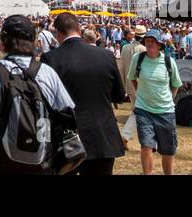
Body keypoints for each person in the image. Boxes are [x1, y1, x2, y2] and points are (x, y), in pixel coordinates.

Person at [0, 14, 75, 175]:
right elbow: (68, 114)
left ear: (3, 43)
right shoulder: (47, 72)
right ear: (33, 43)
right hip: (42, 166)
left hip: (0, 166)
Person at [42, 12, 128, 175]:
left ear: (58, 34)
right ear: (79, 29)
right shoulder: (106, 55)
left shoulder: (51, 58)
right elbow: (118, 96)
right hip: (102, 134)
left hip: (67, 138)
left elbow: (47, 101)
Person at [128, 28, 182, 175]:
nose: (149, 44)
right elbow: (132, 78)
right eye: (147, 41)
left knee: (168, 149)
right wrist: (140, 93)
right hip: (143, 109)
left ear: (159, 44)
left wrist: (169, 99)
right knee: (146, 145)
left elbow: (176, 84)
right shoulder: (138, 59)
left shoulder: (168, 61)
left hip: (165, 111)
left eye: (152, 41)